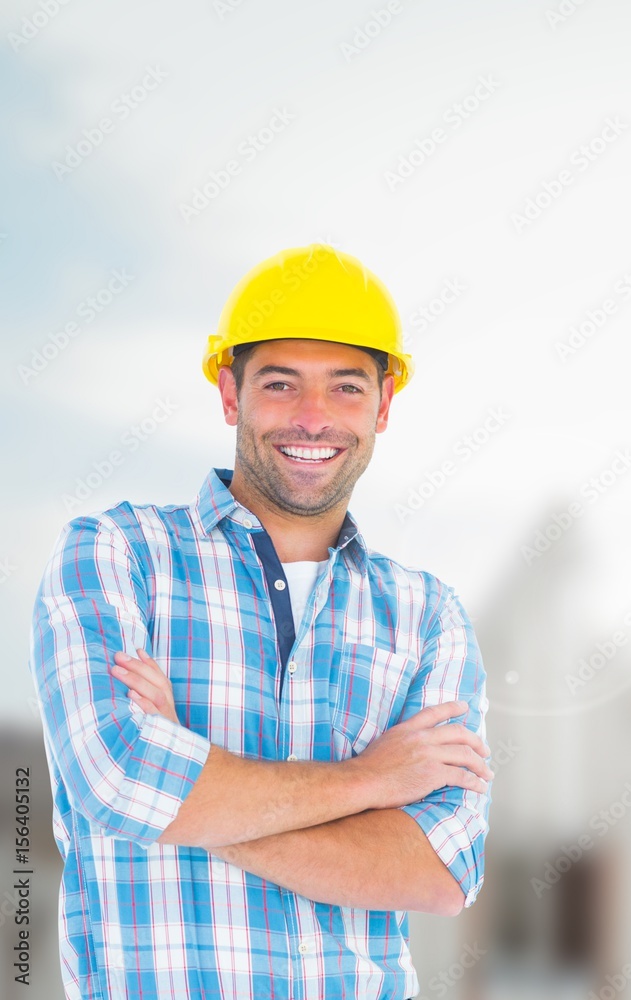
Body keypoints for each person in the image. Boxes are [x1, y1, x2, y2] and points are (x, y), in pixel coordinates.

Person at [29, 243, 494, 1000]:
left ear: (382, 407)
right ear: (228, 394)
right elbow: (119, 779)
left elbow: (438, 871)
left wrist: (192, 785)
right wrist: (370, 780)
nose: (313, 418)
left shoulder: (426, 616)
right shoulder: (117, 554)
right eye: (280, 384)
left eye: (345, 388)